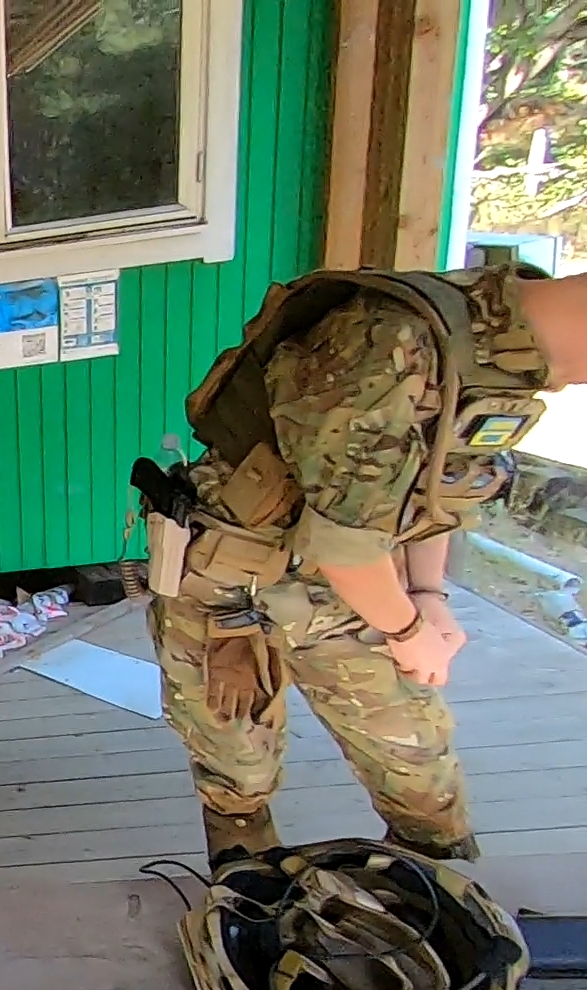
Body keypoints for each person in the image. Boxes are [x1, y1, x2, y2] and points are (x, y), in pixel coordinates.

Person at [142, 262, 587, 865]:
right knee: (236, 763)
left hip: (358, 582)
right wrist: (407, 630)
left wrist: (427, 594)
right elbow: (344, 546)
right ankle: (248, 888)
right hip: (233, 578)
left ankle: (429, 890)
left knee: (416, 760)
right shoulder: (389, 339)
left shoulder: (504, 347)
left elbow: (439, 488)